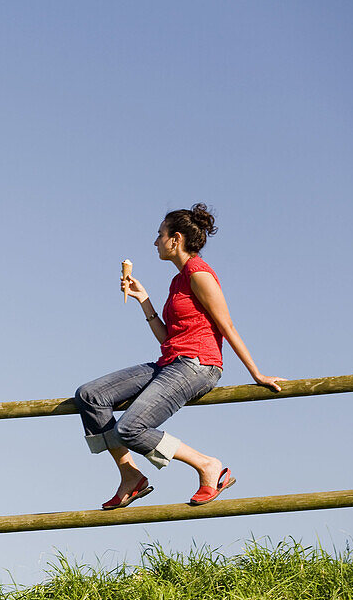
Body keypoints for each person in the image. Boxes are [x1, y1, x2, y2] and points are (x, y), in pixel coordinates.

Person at [74, 204, 285, 509]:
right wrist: (143, 300)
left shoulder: (199, 274)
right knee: (90, 395)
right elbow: (168, 339)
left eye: (159, 235)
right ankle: (130, 476)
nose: (155, 241)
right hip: (170, 362)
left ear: (175, 239)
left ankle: (207, 466)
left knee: (130, 428)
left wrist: (257, 373)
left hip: (199, 365)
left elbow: (226, 325)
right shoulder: (177, 281)